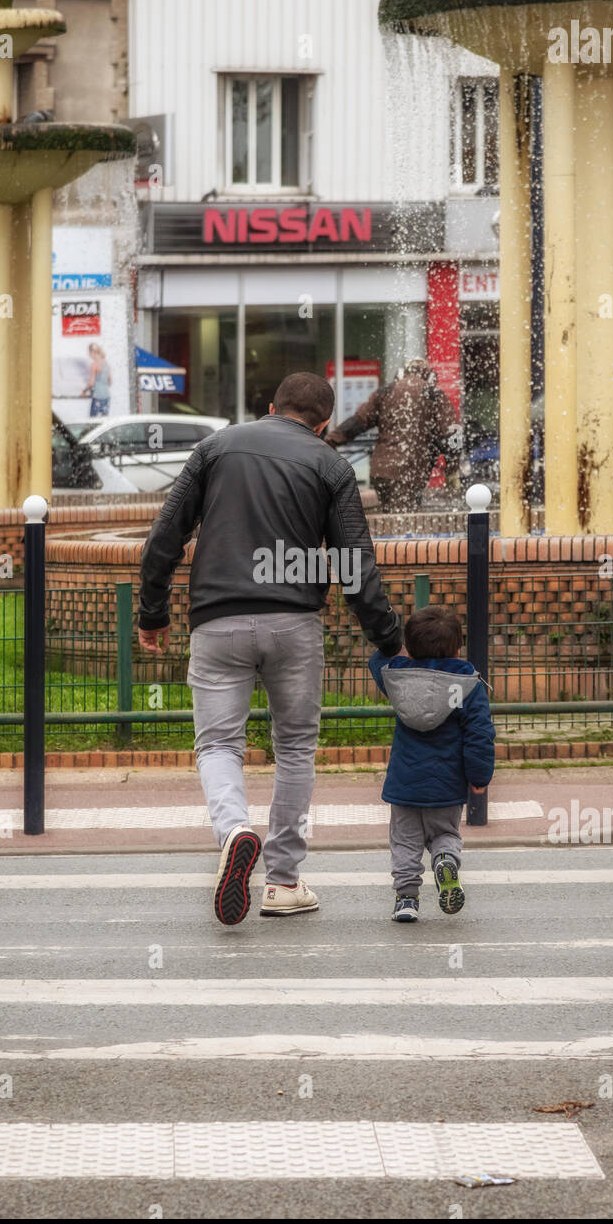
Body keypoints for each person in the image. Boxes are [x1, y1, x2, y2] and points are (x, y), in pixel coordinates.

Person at [137, 371, 402, 926]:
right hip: (294, 626)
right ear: (325, 424)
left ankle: (234, 830)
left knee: (217, 745)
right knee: (297, 749)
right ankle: (282, 882)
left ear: (269, 406)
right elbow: (355, 566)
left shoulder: (216, 447)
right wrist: (388, 639)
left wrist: (153, 613)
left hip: (217, 620)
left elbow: (165, 534)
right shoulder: (331, 465)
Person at [368, 604, 495, 923]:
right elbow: (480, 733)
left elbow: (377, 661)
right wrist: (479, 776)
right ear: (457, 646)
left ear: (409, 647)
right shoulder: (467, 686)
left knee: (405, 841)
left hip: (404, 783)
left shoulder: (398, 678)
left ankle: (407, 898)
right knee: (446, 833)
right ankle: (444, 862)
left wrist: (392, 642)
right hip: (448, 784)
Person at [325, 358, 459, 511]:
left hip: (381, 470)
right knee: (404, 520)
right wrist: (452, 471)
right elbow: (451, 435)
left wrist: (330, 440)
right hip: (410, 471)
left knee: (390, 514)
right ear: (430, 375)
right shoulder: (434, 394)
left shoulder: (386, 391)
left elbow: (358, 422)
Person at [81, 343, 111, 417]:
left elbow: (91, 382)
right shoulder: (106, 363)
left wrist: (84, 391)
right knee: (104, 421)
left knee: (93, 421)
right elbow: (110, 381)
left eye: (89, 353)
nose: (89, 355)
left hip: (98, 396)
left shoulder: (94, 364)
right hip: (106, 396)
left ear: (92, 353)